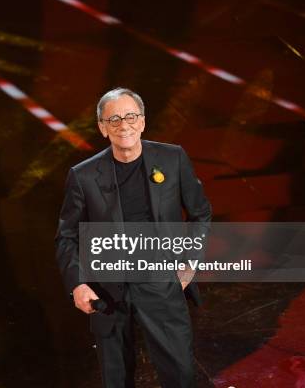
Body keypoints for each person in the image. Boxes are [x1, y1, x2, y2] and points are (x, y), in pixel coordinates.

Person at [55, 87, 211, 388]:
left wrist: (189, 262)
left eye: (130, 116)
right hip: (107, 288)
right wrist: (77, 283)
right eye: (113, 119)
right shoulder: (83, 175)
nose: (123, 125)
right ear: (102, 127)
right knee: (116, 378)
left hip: (161, 279)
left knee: (179, 373)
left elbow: (200, 214)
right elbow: (66, 235)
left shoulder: (172, 158)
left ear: (142, 121)